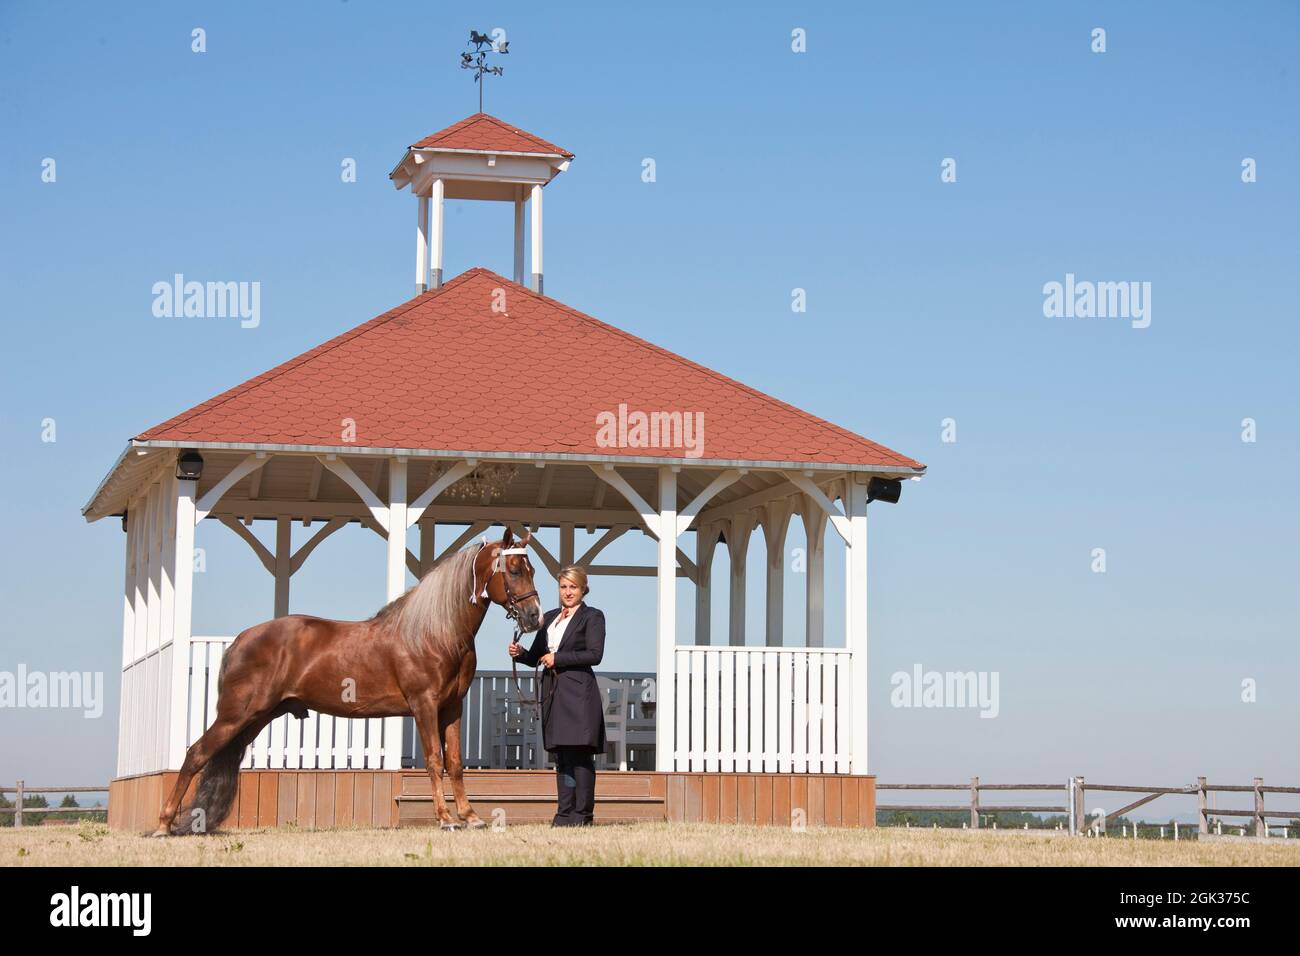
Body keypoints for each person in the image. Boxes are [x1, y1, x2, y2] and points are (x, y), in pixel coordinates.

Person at [508, 564, 606, 826]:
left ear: (583, 588)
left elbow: (595, 655)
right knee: (562, 757)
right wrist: (522, 654)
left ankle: (582, 815)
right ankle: (564, 814)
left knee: (581, 757)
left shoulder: (593, 616)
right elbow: (539, 655)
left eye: (573, 587)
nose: (568, 592)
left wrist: (559, 658)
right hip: (554, 693)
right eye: (563, 587)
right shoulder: (550, 616)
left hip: (580, 694)